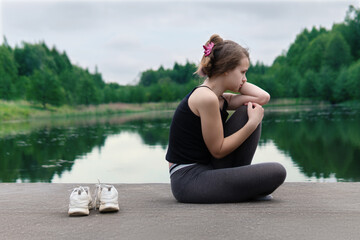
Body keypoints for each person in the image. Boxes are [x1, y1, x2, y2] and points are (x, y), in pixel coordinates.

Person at [166, 34, 286, 203]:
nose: (245, 78)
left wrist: (238, 80)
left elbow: (262, 98)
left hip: (208, 169)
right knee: (277, 171)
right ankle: (244, 189)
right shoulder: (205, 97)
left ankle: (242, 188)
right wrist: (252, 124)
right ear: (226, 69)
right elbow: (218, 150)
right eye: (243, 72)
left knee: (247, 110)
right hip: (188, 180)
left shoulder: (219, 97)